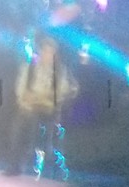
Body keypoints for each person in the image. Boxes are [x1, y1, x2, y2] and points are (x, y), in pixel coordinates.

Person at [7, 35, 77, 175]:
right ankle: (15, 164)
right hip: (28, 107)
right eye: (45, 51)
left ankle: (34, 162)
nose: (47, 55)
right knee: (20, 124)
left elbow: (60, 92)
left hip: (47, 109)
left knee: (35, 123)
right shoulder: (29, 68)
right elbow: (20, 89)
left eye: (50, 52)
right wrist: (28, 99)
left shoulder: (60, 72)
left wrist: (41, 97)